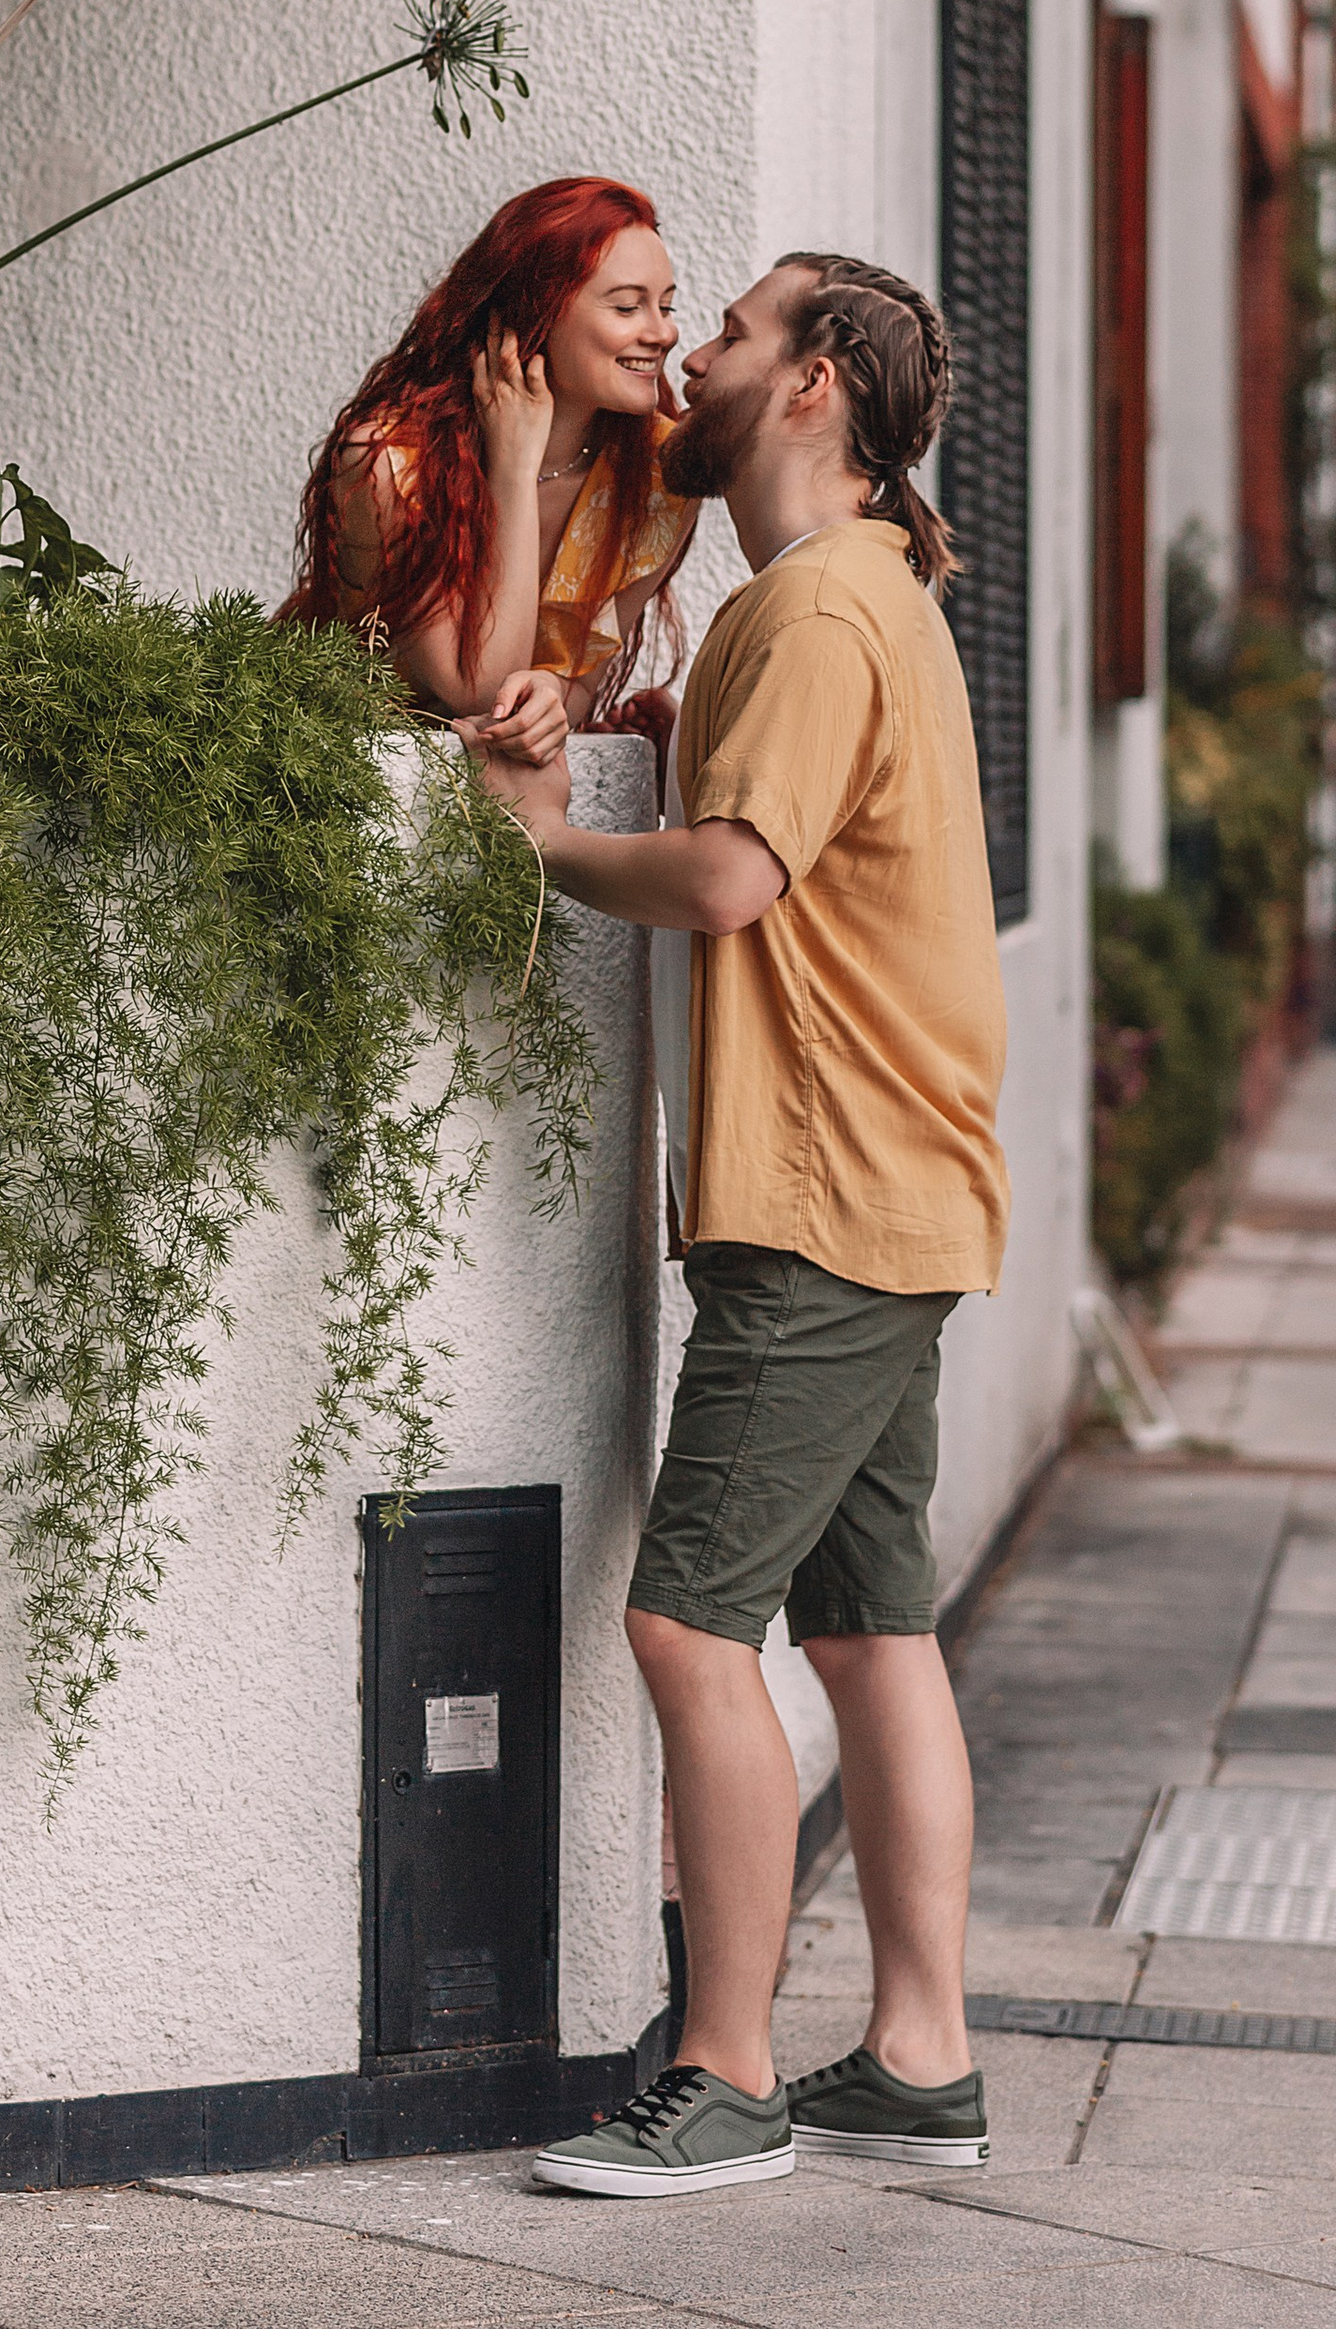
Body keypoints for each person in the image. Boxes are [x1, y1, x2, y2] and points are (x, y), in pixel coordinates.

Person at [470, 252, 1009, 2201]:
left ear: (805, 391)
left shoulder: (813, 609)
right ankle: (919, 2057)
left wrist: (537, 837)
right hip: (903, 1195)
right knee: (870, 1634)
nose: (691, 350)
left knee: (684, 1626)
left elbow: (725, 876)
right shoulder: (856, 598)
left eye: (731, 327)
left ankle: (721, 2076)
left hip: (823, 1215)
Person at [283, 176, 699, 759]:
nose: (663, 332)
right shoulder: (388, 463)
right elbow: (474, 690)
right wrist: (513, 464)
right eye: (628, 306)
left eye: (667, 305)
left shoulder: (661, 476)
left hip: (498, 797)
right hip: (327, 777)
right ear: (535, 314)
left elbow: (574, 683)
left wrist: (551, 698)